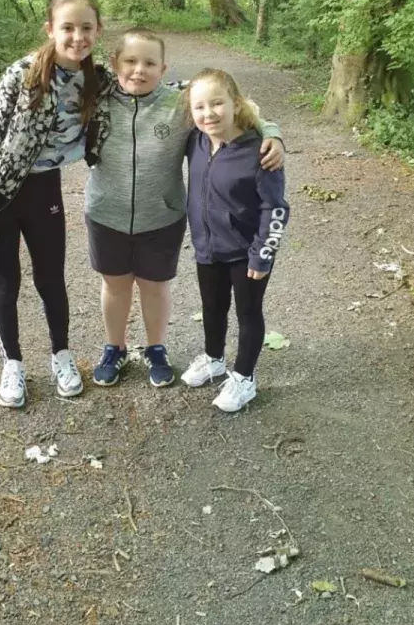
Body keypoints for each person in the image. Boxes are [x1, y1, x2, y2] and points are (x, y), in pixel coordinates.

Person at [83, 30, 284, 389]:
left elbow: (233, 101)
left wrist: (272, 132)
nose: (139, 70)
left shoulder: (180, 100)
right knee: (114, 285)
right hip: (106, 213)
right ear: (115, 64)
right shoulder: (97, 97)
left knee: (155, 286)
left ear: (164, 68)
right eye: (130, 61)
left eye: (149, 63)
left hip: (162, 217)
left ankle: (156, 349)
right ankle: (114, 347)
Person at [0, 0, 112, 409]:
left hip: (45, 189)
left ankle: (61, 355)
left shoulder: (97, 80)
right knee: (6, 283)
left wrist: (262, 127)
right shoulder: (24, 74)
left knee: (51, 278)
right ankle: (12, 363)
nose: (77, 36)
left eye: (86, 28)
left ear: (97, 31)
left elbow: (154, 88)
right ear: (50, 29)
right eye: (68, 28)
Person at [182, 68, 290, 412]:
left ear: (236, 104)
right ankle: (214, 359)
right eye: (199, 107)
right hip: (207, 248)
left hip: (247, 253)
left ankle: (244, 378)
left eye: (217, 104)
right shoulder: (194, 141)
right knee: (212, 309)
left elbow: (275, 207)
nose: (208, 113)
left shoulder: (261, 152)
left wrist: (263, 255)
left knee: (248, 313)